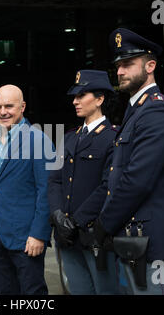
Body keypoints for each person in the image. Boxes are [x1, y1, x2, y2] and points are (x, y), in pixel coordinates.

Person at [91, 28, 164, 295]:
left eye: (128, 64)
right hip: (135, 238)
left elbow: (137, 180)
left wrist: (104, 223)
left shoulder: (156, 110)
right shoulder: (137, 110)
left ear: (150, 66)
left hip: (151, 241)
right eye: (118, 66)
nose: (120, 71)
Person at [0, 84, 53, 295]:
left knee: (32, 294)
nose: (2, 112)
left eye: (9, 106)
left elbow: (46, 192)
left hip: (26, 238)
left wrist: (39, 234)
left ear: (23, 107)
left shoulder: (39, 140)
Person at [48, 70, 119, 294]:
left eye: (82, 95)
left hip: (94, 234)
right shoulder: (70, 137)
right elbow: (54, 180)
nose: (75, 101)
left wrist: (76, 221)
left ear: (100, 99)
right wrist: (58, 214)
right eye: (74, 96)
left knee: (104, 290)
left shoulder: (113, 137)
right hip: (66, 237)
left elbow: (108, 186)